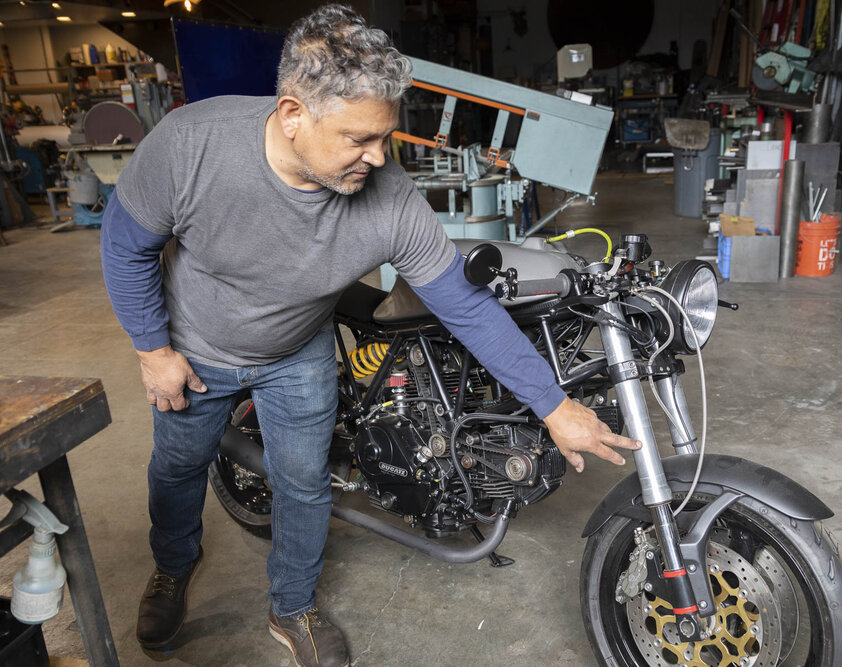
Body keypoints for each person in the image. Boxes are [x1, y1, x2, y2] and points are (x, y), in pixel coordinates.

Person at [101, 5, 640, 666]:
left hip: (296, 350)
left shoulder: (386, 195)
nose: (378, 157)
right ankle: (173, 565)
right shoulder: (191, 145)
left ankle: (292, 605)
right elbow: (125, 245)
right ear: (294, 114)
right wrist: (152, 349)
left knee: (302, 482)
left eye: (386, 136)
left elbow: (465, 307)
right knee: (177, 469)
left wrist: (554, 405)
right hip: (196, 348)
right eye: (359, 137)